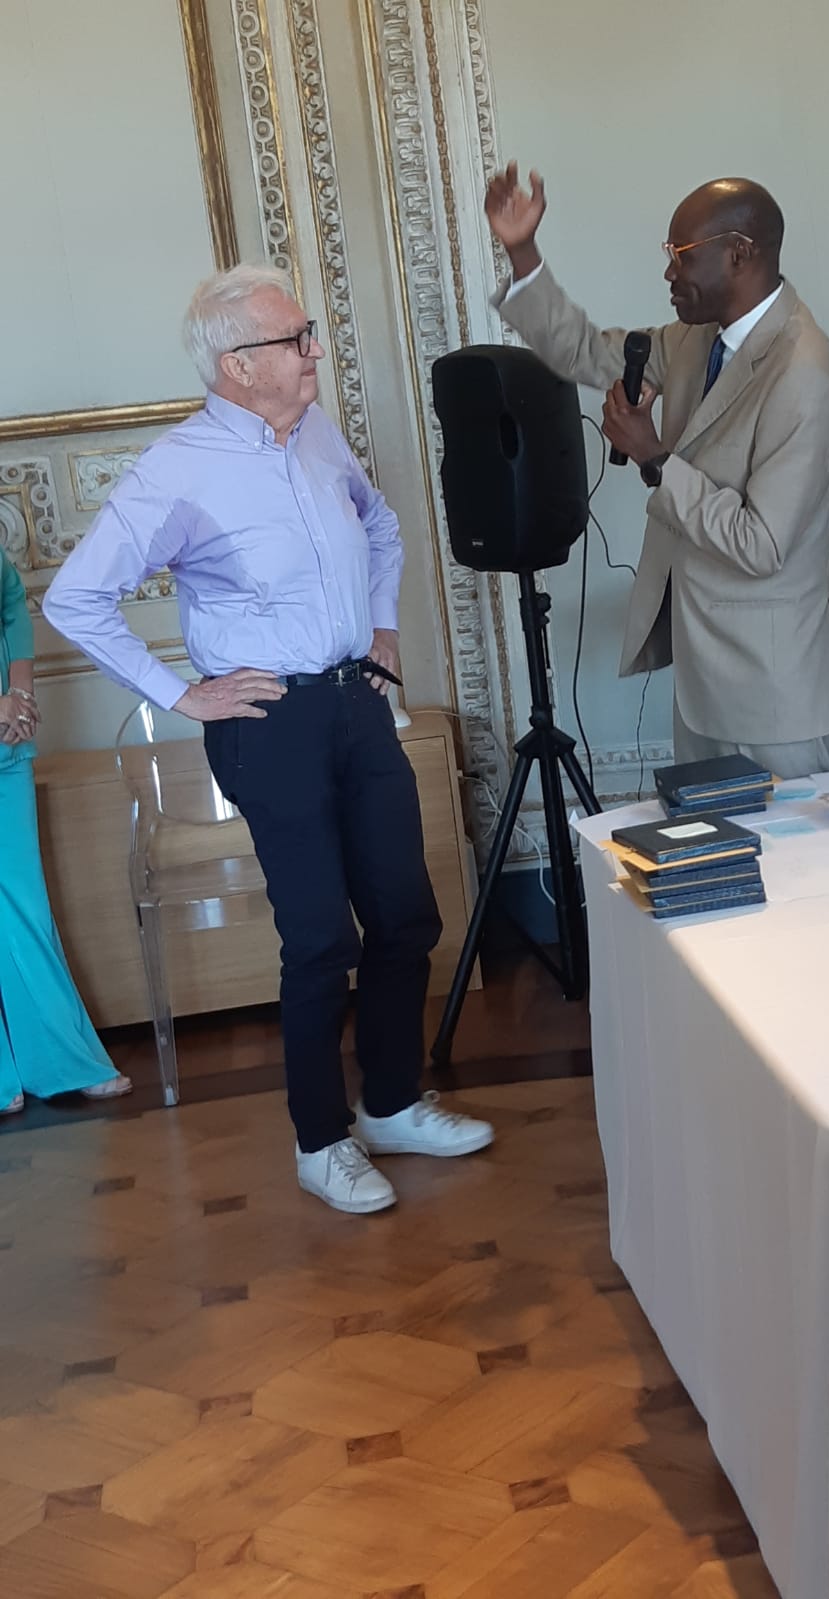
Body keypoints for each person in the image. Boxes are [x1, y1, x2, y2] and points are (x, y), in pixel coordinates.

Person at [43, 263, 492, 1211]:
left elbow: (382, 526)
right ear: (237, 365)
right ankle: (321, 1141)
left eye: (309, 332)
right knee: (321, 936)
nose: (314, 351)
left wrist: (381, 628)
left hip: (358, 701)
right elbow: (77, 597)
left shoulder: (316, 432)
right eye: (296, 339)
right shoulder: (178, 468)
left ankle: (392, 1103)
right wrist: (183, 693)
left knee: (406, 913)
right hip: (269, 724)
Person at [486, 166, 829, 779]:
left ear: (739, 253)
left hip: (777, 696)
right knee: (707, 844)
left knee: (786, 847)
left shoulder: (803, 371)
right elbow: (584, 351)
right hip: (702, 682)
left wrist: (656, 458)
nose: (668, 273)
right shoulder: (694, 340)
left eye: (681, 255)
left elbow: (762, 544)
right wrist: (523, 251)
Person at [0, 549, 131, 1115]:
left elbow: (11, 604)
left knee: (25, 908)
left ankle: (64, 1061)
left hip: (7, 747)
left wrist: (21, 697)